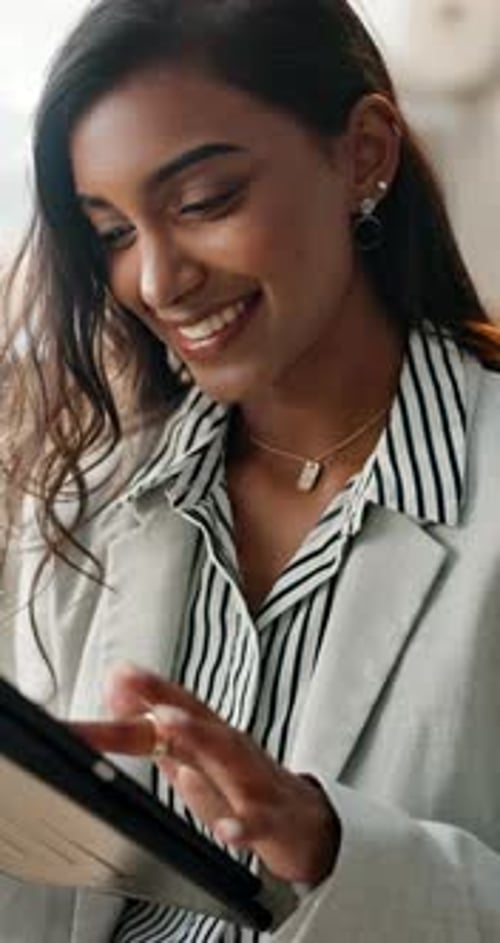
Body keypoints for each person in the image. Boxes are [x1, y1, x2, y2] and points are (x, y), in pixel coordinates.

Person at [2, 0, 500, 940]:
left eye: (202, 203)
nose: (155, 280)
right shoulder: (89, 502)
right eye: (111, 231)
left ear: (363, 154)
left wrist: (333, 849)